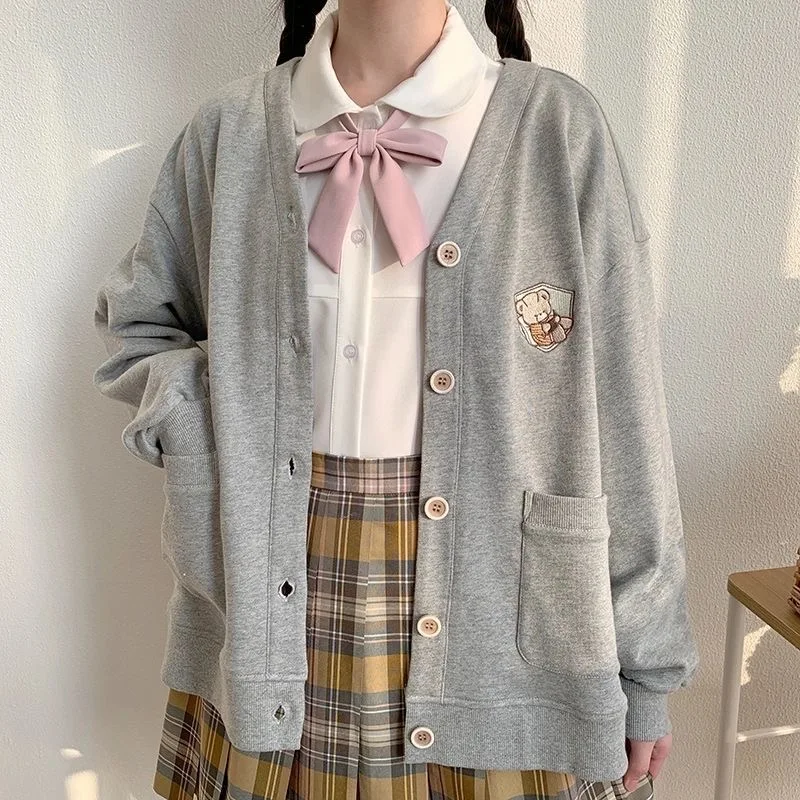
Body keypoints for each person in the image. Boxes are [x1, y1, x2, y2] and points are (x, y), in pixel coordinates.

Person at [92, 1, 700, 798]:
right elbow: (142, 324)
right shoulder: (230, 133)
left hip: (509, 618)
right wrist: (196, 428)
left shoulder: (557, 128)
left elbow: (626, 405)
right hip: (276, 606)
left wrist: (648, 662)